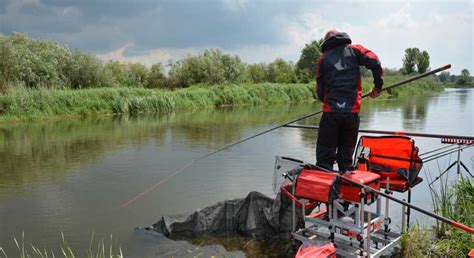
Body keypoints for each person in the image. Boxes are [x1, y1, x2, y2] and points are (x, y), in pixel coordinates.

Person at [315, 29, 383, 172]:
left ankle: (326, 192)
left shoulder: (323, 58)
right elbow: (375, 61)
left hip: (331, 115)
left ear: (326, 42)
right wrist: (378, 87)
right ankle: (346, 192)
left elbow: (320, 91)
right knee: (346, 161)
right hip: (351, 115)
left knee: (324, 161)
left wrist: (328, 102)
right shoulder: (355, 50)